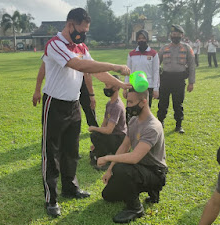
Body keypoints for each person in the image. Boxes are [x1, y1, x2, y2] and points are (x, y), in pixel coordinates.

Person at [39, 7, 131, 217]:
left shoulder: (80, 45)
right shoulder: (55, 44)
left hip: (72, 104)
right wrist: (116, 65)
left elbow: (97, 71)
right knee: (51, 152)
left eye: (85, 30)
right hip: (54, 104)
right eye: (81, 29)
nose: (83, 34)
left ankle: (70, 188)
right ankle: (51, 199)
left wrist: (120, 85)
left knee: (71, 150)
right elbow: (79, 65)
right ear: (70, 24)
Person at [97, 88, 167, 224]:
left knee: (121, 169)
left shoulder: (152, 127)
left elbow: (134, 157)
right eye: (127, 101)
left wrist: (107, 158)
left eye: (130, 102)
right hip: (139, 168)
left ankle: (135, 208)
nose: (127, 105)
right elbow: (124, 146)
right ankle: (146, 191)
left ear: (143, 102)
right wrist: (110, 169)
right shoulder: (134, 120)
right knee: (108, 195)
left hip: (155, 173)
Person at [33, 61, 98, 127]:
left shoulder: (81, 51)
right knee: (63, 112)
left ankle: (95, 129)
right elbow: (43, 68)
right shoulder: (53, 51)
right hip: (62, 84)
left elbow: (87, 72)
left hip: (80, 81)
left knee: (89, 105)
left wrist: (91, 94)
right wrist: (37, 90)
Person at [157, 24, 195, 133]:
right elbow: (156, 64)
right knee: (163, 102)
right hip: (165, 78)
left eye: (178, 34)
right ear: (170, 35)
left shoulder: (187, 48)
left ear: (182, 35)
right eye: (173, 34)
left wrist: (191, 82)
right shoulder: (164, 48)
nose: (175, 36)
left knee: (178, 103)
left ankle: (179, 125)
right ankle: (160, 122)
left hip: (179, 79)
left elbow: (192, 65)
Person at [88, 75, 127, 170]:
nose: (105, 88)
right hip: (113, 136)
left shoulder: (116, 106)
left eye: (107, 85)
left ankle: (108, 160)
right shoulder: (109, 104)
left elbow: (109, 130)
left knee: (94, 135)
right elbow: (104, 123)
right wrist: (97, 142)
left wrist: (94, 128)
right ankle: (102, 154)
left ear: (116, 87)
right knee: (96, 135)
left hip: (119, 139)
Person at [124, 30, 160, 114]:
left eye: (143, 38)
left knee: (145, 110)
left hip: (148, 86)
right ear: (136, 40)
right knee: (132, 109)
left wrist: (156, 88)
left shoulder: (153, 54)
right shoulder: (131, 54)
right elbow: (127, 71)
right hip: (133, 86)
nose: (141, 40)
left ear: (147, 39)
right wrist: (125, 87)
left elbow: (156, 71)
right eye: (139, 38)